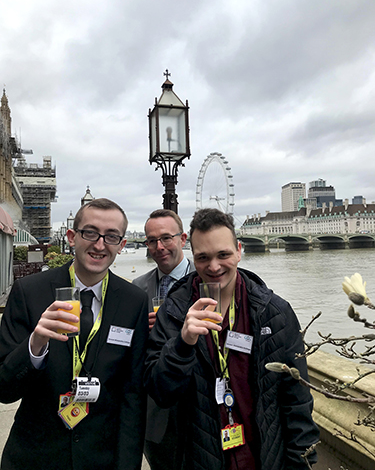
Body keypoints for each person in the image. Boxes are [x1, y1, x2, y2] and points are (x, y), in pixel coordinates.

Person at [144, 208, 320, 470]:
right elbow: (160, 392)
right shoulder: (174, 312)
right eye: (203, 257)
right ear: (194, 256)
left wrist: (301, 462)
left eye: (223, 255)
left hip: (262, 459)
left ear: (239, 250)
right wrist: (182, 343)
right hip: (200, 459)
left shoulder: (275, 312)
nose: (214, 267)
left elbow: (296, 399)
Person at [0, 198, 148, 470]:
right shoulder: (29, 292)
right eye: (90, 232)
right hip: (34, 456)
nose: (100, 244)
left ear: (122, 245)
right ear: (71, 237)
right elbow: (4, 389)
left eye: (111, 236)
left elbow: (132, 395)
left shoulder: (134, 301)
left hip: (100, 458)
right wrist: (34, 345)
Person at [133, 209, 194, 470]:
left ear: (183, 238)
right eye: (151, 241)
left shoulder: (206, 282)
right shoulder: (137, 288)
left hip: (199, 407)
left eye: (166, 238)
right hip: (155, 416)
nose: (159, 247)